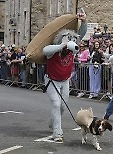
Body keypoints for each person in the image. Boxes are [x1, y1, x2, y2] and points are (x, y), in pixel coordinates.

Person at [42, 11, 87, 143]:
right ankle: (57, 133)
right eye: (68, 39)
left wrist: (84, 21)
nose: (71, 42)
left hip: (65, 80)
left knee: (62, 106)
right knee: (56, 104)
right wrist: (61, 45)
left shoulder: (72, 50)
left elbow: (81, 33)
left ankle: (52, 121)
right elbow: (45, 50)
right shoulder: (54, 50)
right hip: (51, 80)